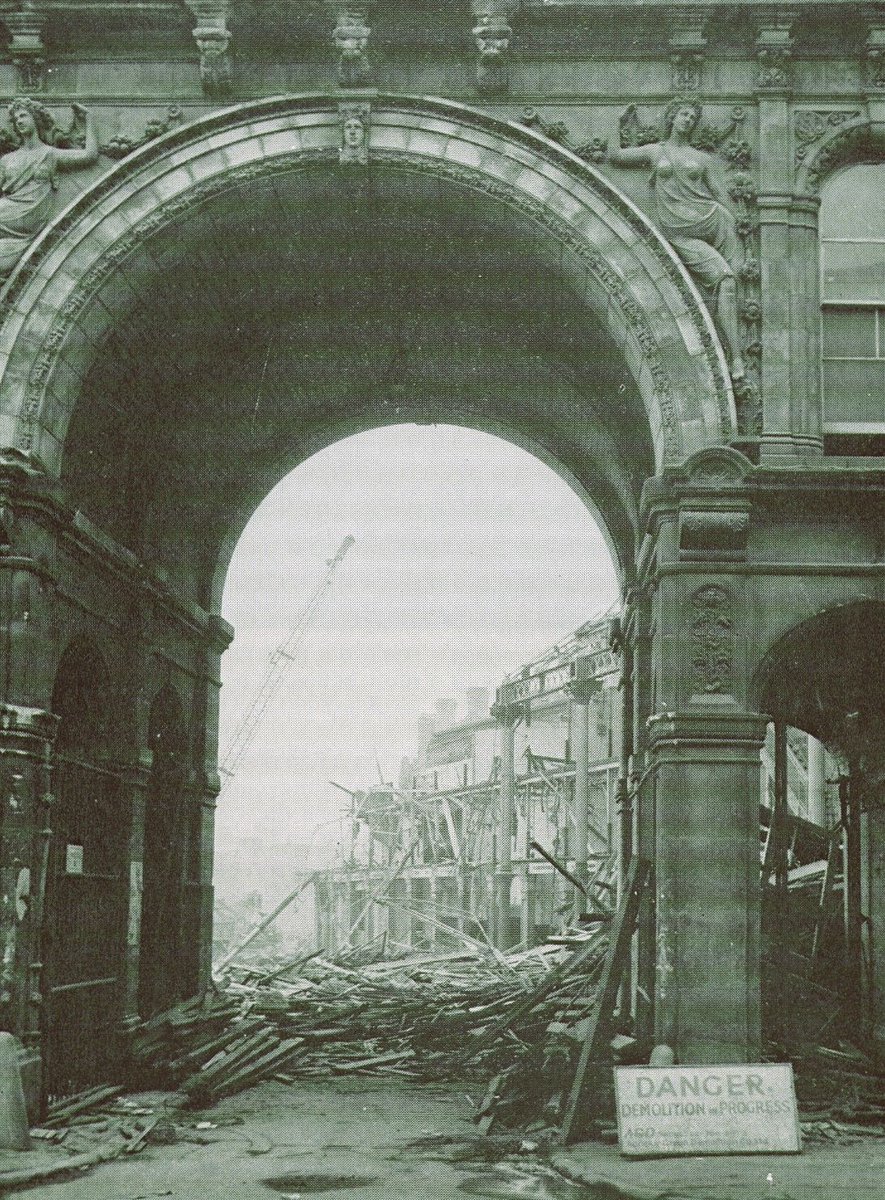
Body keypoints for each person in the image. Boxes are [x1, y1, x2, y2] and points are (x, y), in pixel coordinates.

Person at [608, 99, 745, 380]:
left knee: (728, 282)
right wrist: (617, 122)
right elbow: (616, 156)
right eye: (684, 115)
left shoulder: (703, 159)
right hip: (677, 232)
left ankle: (737, 358)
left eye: (693, 118)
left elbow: (719, 195)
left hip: (709, 221)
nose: (688, 120)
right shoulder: (655, 151)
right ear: (672, 117)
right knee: (723, 280)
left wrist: (737, 220)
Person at [0, 98, 98, 276]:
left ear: (36, 119)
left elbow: (89, 155)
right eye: (16, 119)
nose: (19, 121)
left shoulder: (50, 154)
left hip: (31, 214)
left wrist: (89, 119)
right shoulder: (6, 160)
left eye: (23, 116)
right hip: (9, 210)